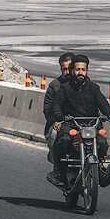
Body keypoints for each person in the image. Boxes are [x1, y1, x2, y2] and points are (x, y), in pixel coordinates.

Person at [46, 54, 110, 187]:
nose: (80, 72)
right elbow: (56, 105)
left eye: (83, 70)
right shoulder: (65, 88)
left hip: (91, 125)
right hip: (71, 125)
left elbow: (103, 103)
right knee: (63, 141)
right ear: (73, 70)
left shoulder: (93, 88)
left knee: (102, 142)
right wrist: (59, 117)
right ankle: (59, 173)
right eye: (78, 69)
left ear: (87, 71)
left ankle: (99, 169)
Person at [43, 52, 76, 184]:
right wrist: (55, 121)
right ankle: (58, 170)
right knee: (55, 135)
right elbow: (47, 109)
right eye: (64, 69)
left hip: (79, 124)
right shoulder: (55, 85)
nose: (66, 72)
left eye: (69, 68)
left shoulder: (83, 83)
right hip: (60, 123)